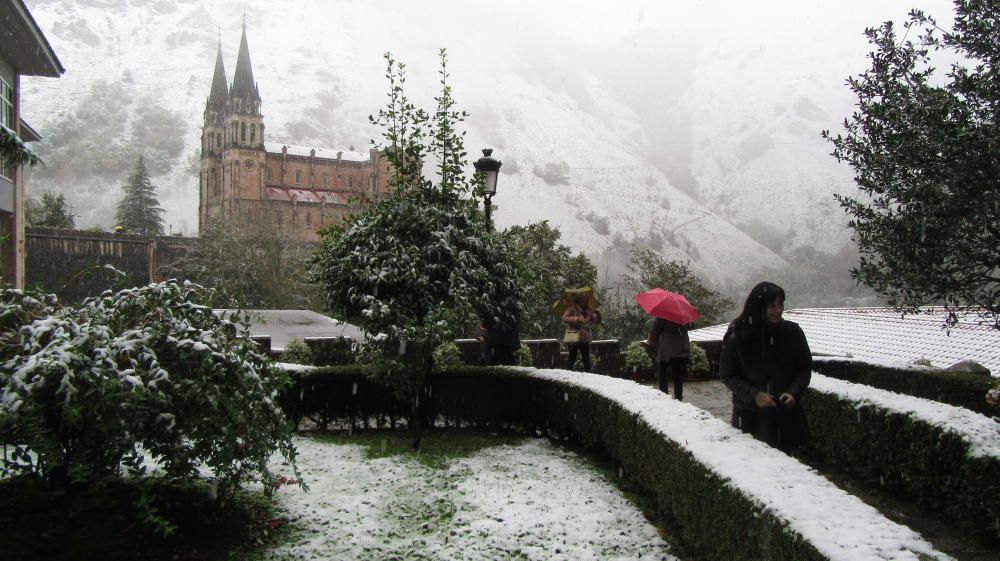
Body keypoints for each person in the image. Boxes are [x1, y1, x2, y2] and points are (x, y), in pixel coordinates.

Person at [720, 281, 812, 452]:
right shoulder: (739, 335)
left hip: (785, 417)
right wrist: (754, 395)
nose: (778, 310)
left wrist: (793, 392)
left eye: (780, 304)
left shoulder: (792, 333)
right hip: (749, 417)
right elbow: (728, 375)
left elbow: (804, 368)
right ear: (758, 307)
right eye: (772, 306)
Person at [647, 318, 690, 400]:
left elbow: (654, 332)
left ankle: (664, 397)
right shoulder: (681, 317)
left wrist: (652, 344)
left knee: (662, 375)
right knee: (678, 376)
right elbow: (690, 326)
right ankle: (678, 398)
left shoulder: (662, 317)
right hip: (679, 351)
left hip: (665, 351)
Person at [562, 293, 601, 371]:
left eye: (585, 299)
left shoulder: (589, 309)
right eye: (581, 299)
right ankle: (567, 375)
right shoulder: (572, 308)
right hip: (574, 337)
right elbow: (564, 318)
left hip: (584, 338)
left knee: (586, 360)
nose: (583, 301)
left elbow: (594, 322)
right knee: (571, 359)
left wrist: (594, 317)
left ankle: (588, 376)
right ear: (578, 299)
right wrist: (576, 319)